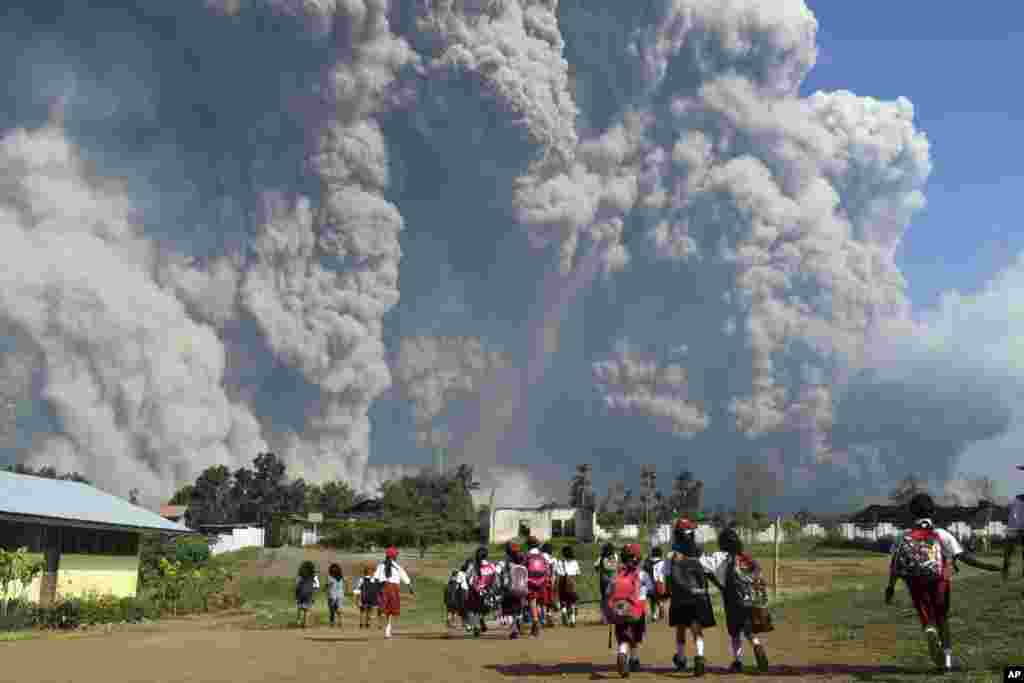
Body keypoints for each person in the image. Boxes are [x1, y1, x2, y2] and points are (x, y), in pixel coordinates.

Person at [885, 492, 1001, 673]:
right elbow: (962, 557)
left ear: (911, 513)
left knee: (927, 617)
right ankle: (947, 660)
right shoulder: (940, 534)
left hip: (915, 582)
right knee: (942, 618)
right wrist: (989, 567)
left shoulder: (903, 536)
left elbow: (895, 565)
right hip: (939, 582)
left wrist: (890, 587)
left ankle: (929, 631)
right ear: (933, 512)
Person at [702, 527, 770, 673]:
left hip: (733, 601)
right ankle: (757, 645)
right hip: (751, 600)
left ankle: (737, 661)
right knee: (748, 629)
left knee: (734, 633)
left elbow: (703, 566)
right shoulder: (746, 558)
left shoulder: (721, 558)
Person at [665, 518, 717, 676]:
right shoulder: (699, 553)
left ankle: (681, 658)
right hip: (698, 596)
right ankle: (700, 656)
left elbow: (667, 577)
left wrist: (668, 593)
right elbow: (709, 571)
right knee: (696, 628)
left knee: (680, 627)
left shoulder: (671, 555)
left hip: (680, 597)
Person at [605, 543, 654, 677]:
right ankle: (634, 659)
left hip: (619, 609)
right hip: (637, 610)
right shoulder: (642, 574)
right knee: (635, 636)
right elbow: (650, 590)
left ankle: (622, 653)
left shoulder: (616, 575)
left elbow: (608, 592)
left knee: (623, 636)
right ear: (638, 558)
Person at [373, 547, 415, 639]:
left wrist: (375, 589)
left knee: (384, 608)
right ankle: (388, 629)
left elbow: (375, 578)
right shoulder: (397, 566)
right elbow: (405, 578)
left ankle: (383, 622)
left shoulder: (381, 565)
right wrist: (410, 588)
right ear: (394, 556)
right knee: (391, 611)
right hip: (393, 589)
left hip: (383, 587)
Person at [465, 547, 498, 637]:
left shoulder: (473, 566)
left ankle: (476, 627)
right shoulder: (491, 566)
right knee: (481, 609)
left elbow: (468, 578)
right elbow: (495, 580)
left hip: (475, 592)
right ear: (486, 555)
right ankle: (481, 620)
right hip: (488, 593)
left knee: (472, 610)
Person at [502, 544, 529, 639]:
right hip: (522, 591)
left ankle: (514, 629)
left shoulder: (508, 566)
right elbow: (526, 581)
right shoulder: (524, 567)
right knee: (518, 610)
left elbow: (505, 581)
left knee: (508, 609)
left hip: (511, 591)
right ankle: (519, 621)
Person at [525, 537, 549, 637]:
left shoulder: (527, 556)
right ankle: (539, 620)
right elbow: (547, 568)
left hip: (531, 581)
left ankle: (535, 622)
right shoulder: (542, 556)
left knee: (532, 601)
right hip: (542, 581)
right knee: (539, 602)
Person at [555, 545, 581, 627]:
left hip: (562, 583)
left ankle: (564, 611)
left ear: (563, 553)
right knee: (572, 602)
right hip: (571, 583)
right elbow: (578, 573)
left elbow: (557, 573)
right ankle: (572, 620)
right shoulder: (575, 562)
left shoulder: (560, 562)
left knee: (563, 600)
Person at [594, 543, 619, 625]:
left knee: (605, 599)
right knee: (614, 598)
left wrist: (599, 569)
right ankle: (614, 616)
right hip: (614, 579)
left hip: (604, 580)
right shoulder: (615, 556)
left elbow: (596, 566)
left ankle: (605, 618)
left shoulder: (601, 557)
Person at [1003, 490, 1024, 581]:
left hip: (1014, 527)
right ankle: (1005, 570)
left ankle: (1005, 571)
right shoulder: (1016, 500)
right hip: (1016, 526)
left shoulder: (1015, 500)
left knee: (1008, 551)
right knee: (1008, 551)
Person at [353, 563, 380, 629]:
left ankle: (361, 624)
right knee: (369, 610)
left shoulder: (361, 579)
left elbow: (357, 588)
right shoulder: (375, 580)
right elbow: (377, 589)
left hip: (364, 597)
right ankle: (368, 623)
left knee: (362, 611)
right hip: (372, 597)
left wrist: (356, 597)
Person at [295, 560, 320, 628]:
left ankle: (298, 621)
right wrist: (314, 595)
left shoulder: (300, 576)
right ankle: (305, 623)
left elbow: (297, 585)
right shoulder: (314, 576)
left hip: (301, 593)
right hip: (309, 594)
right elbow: (316, 586)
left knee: (300, 608)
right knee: (307, 609)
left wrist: (296, 595)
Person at [644, 547, 667, 621]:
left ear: (652, 553)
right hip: (660, 583)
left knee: (652, 600)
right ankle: (660, 605)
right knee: (659, 598)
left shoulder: (648, 562)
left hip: (650, 583)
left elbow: (644, 570)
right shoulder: (663, 562)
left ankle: (654, 615)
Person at [540, 542, 557, 626]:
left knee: (542, 601)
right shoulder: (552, 559)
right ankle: (549, 615)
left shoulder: (540, 557)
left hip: (540, 581)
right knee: (550, 600)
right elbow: (553, 572)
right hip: (549, 580)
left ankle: (543, 619)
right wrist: (553, 581)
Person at [326, 563, 345, 628]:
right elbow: (343, 585)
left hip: (332, 595)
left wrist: (325, 588)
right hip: (340, 595)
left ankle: (332, 622)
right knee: (339, 609)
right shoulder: (341, 577)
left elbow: (328, 585)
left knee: (332, 610)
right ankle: (340, 621)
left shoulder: (329, 577)